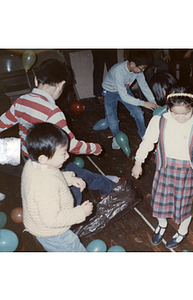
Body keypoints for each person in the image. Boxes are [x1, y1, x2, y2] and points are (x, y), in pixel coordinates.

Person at [0, 59, 116, 206]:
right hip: (52, 159)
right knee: (74, 183)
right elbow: (70, 145)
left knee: (69, 176)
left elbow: (2, 123)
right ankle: (101, 193)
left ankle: (105, 186)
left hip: (29, 157)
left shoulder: (21, 101)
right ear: (61, 84)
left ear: (36, 80)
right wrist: (94, 148)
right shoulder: (53, 113)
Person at [132, 86, 193, 249]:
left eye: (186, 113)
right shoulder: (159, 121)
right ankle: (162, 224)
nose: (181, 117)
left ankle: (183, 230)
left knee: (183, 204)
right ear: (168, 108)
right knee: (160, 201)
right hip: (164, 169)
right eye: (175, 113)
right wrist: (138, 162)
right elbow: (147, 142)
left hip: (185, 174)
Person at [22, 122, 92, 251]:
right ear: (43, 158)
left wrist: (69, 179)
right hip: (54, 234)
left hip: (41, 227)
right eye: (63, 153)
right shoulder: (44, 185)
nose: (68, 156)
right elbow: (52, 220)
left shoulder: (33, 164)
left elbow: (52, 176)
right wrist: (80, 212)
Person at [100, 50, 158, 149]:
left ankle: (143, 134)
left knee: (138, 112)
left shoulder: (138, 70)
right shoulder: (119, 71)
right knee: (112, 118)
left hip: (124, 89)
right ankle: (116, 137)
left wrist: (153, 102)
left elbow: (144, 86)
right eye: (141, 68)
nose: (142, 71)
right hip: (110, 91)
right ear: (132, 64)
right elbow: (124, 97)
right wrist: (143, 103)